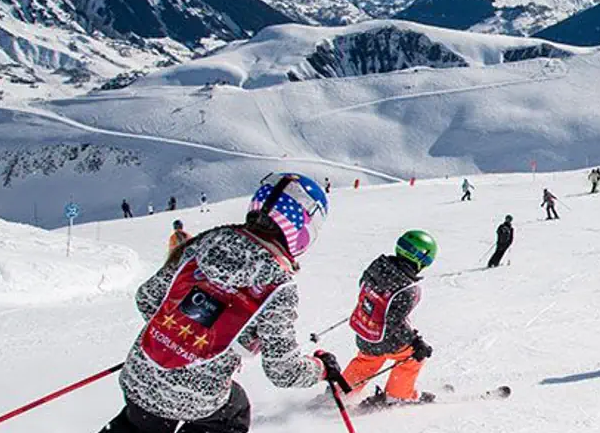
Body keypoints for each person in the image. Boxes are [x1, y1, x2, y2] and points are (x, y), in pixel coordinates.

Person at [102, 172, 350, 433]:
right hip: (197, 397)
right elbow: (282, 369)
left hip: (141, 372)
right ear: (305, 227)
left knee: (140, 422)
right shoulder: (277, 283)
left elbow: (148, 298)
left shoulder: (208, 242)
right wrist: (322, 369)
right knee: (234, 411)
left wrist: (180, 340)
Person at [342, 230, 439, 408]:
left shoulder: (378, 266)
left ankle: (342, 391)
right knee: (412, 357)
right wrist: (416, 343)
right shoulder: (408, 289)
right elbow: (394, 322)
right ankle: (397, 396)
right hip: (383, 338)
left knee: (368, 358)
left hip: (364, 330)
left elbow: (364, 284)